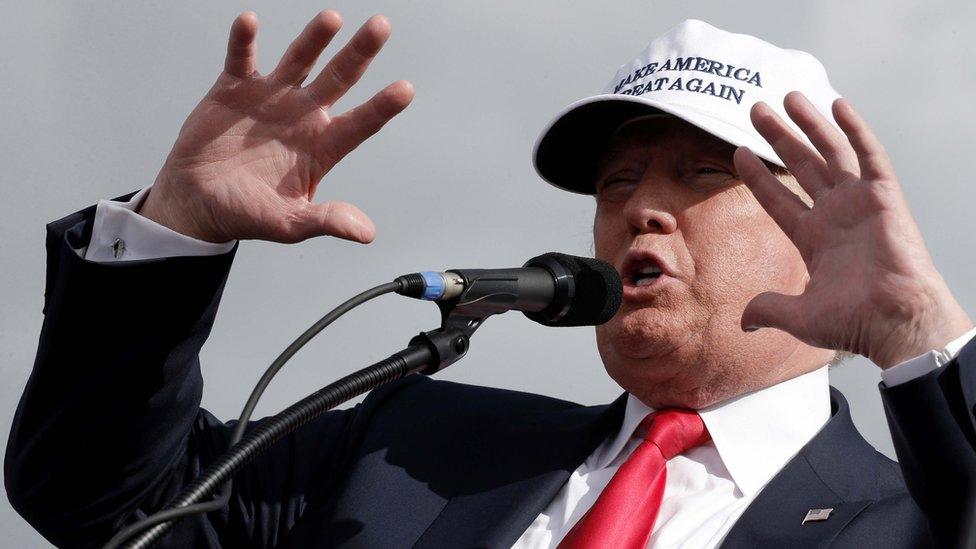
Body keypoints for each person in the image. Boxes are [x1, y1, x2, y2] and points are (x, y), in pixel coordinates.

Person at [6, 10, 976, 549]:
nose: (640, 208)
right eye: (615, 182)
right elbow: (107, 505)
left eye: (700, 174)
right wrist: (175, 228)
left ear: (818, 224)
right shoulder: (408, 448)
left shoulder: (913, 520)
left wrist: (917, 330)